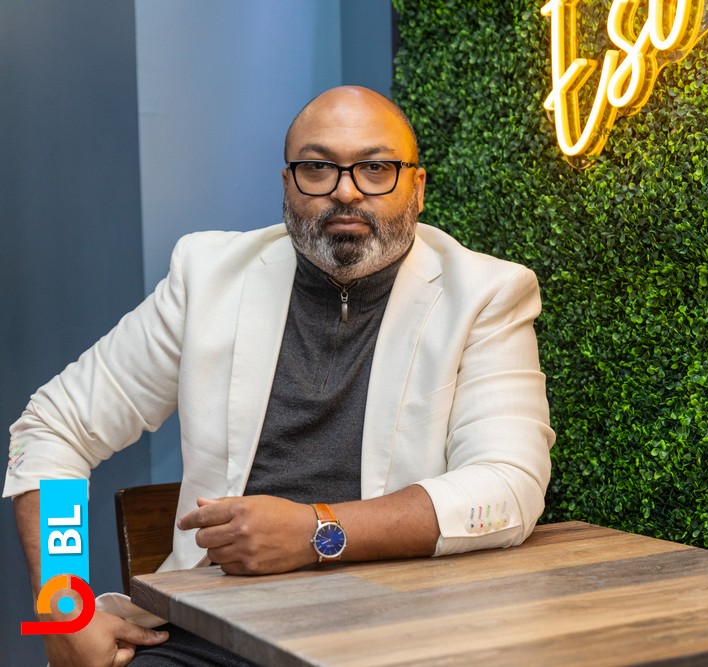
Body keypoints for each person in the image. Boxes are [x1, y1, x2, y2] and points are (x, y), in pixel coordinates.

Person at [5, 86, 555, 666]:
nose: (346, 191)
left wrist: (315, 532)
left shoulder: (485, 294)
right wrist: (63, 603)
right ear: (287, 185)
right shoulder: (208, 278)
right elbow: (53, 428)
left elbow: (510, 485)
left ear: (417, 188)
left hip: (405, 629)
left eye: (376, 168)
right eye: (318, 168)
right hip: (210, 635)